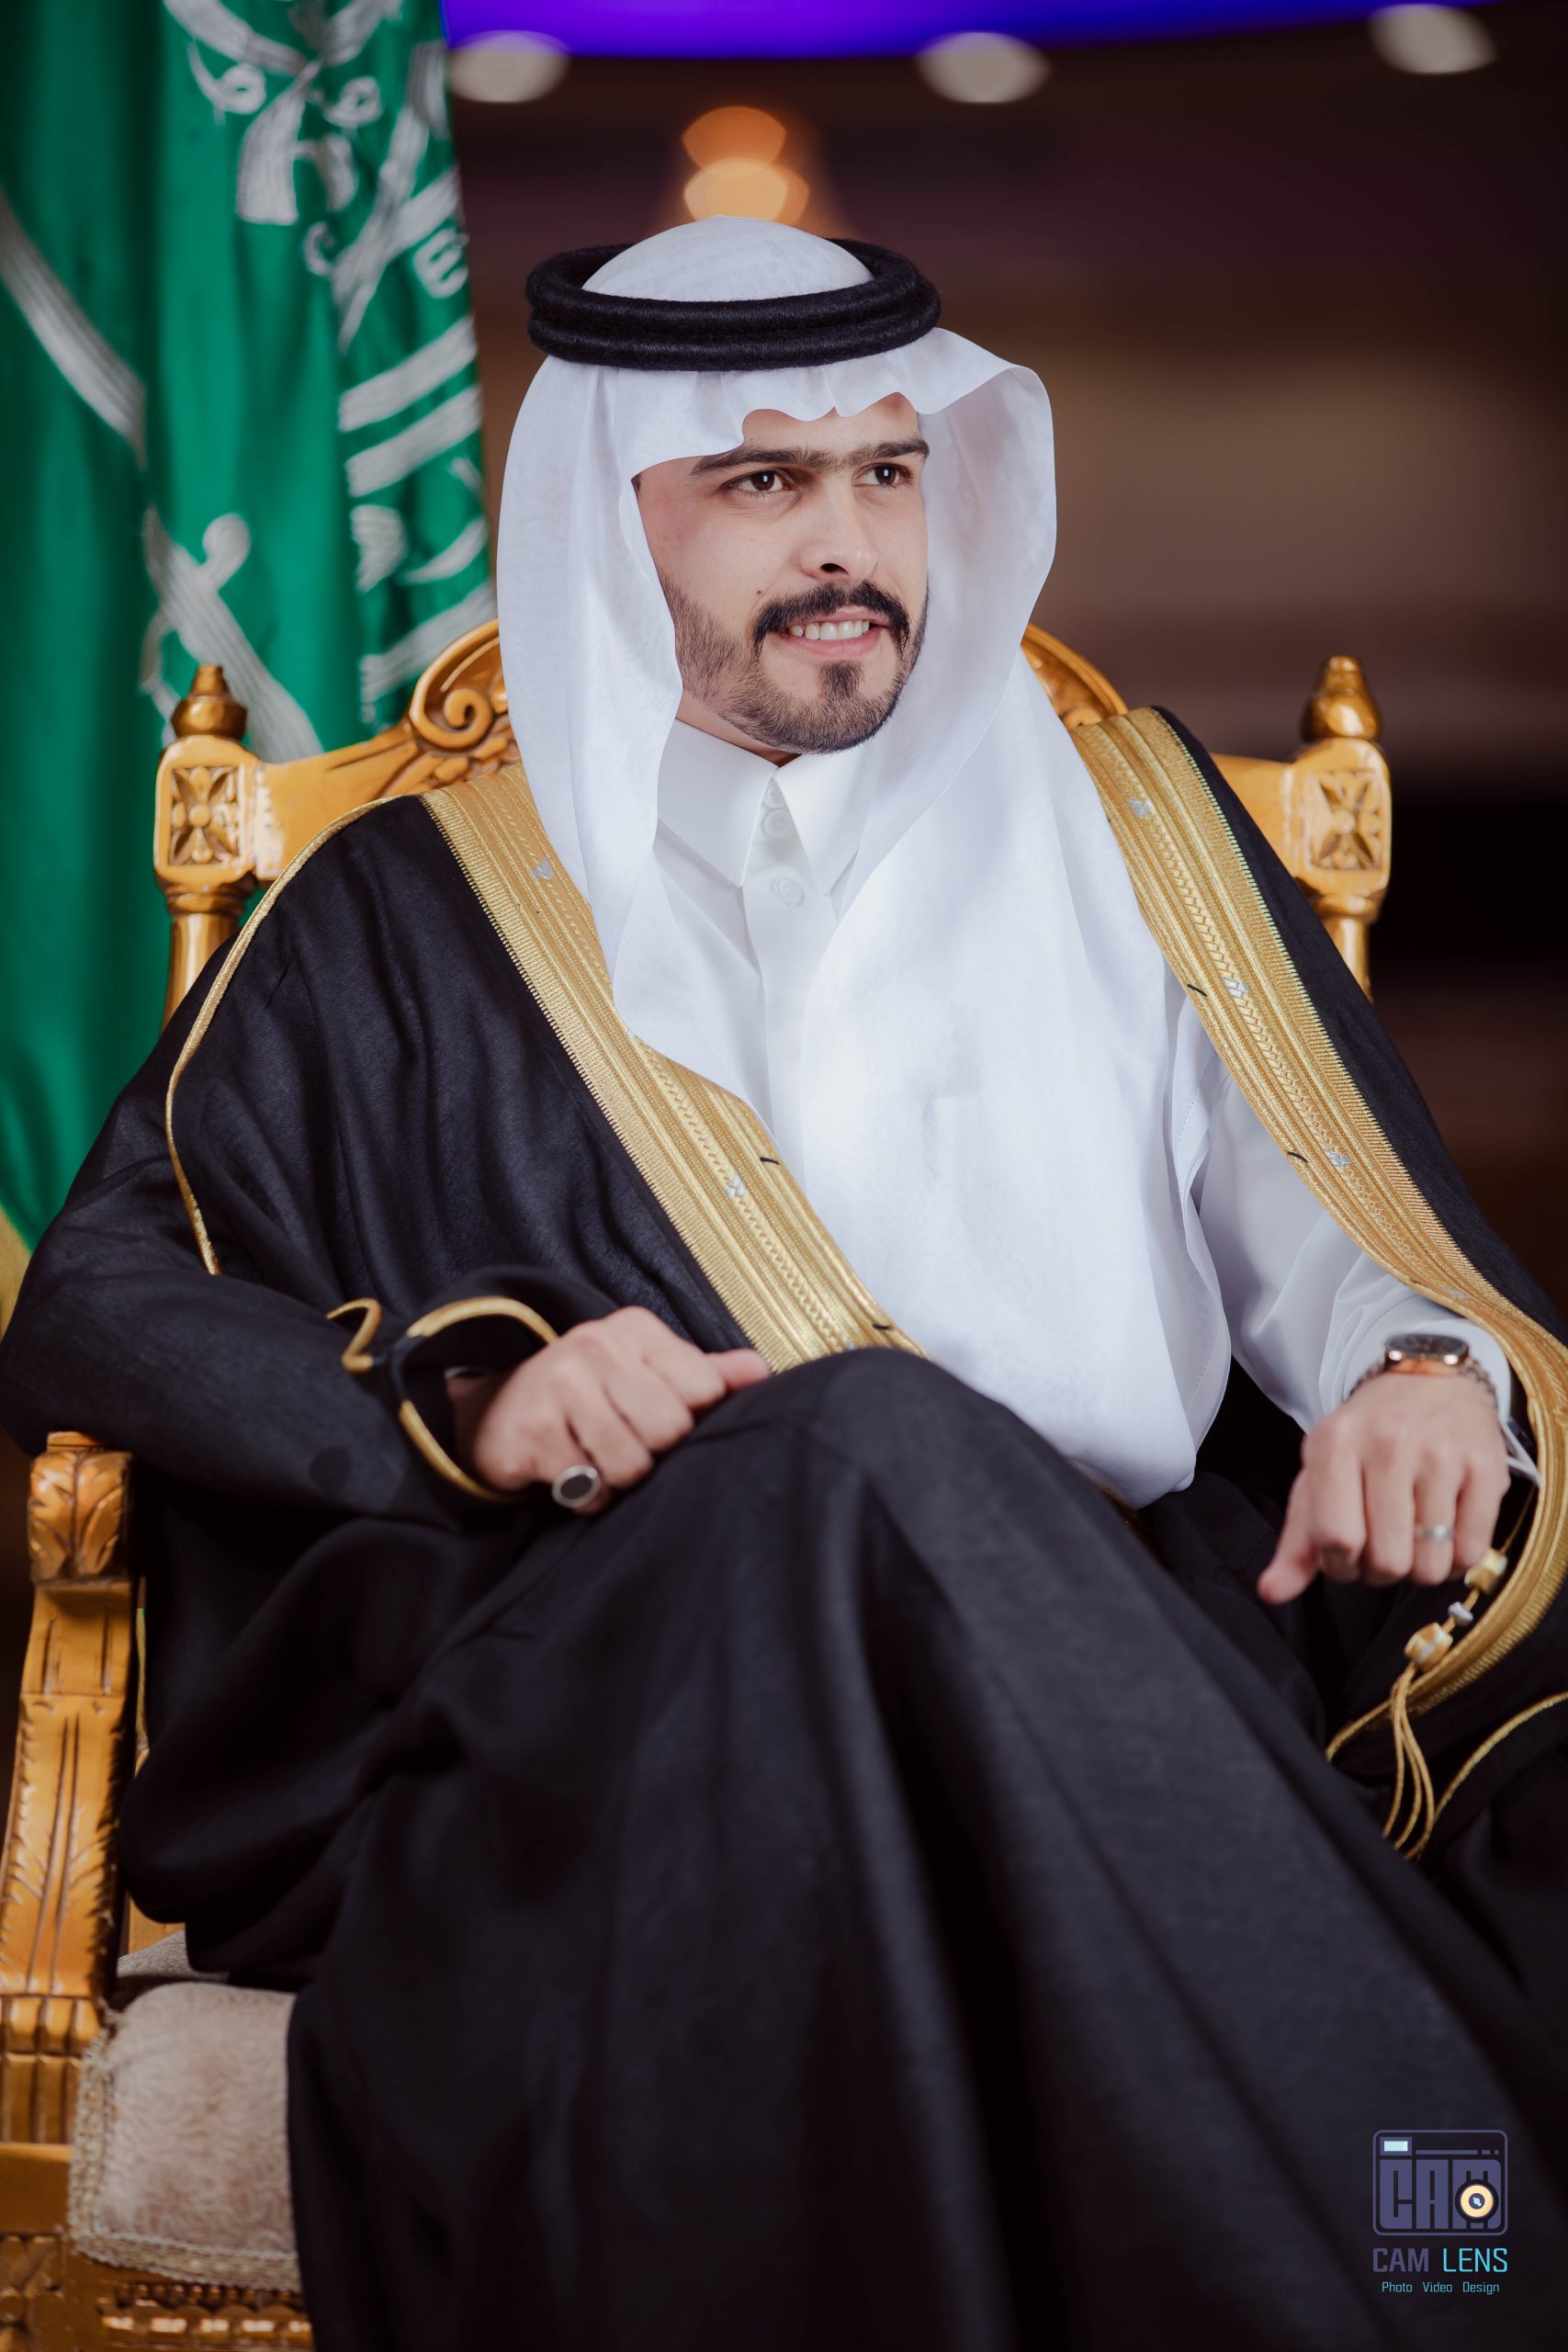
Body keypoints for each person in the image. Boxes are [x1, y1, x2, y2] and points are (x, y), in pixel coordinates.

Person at [2, 217, 1566, 2349]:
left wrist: (1410, 1362)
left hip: (1116, 1647)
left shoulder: (1130, 833)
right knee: (869, 1436)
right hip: (624, 1691)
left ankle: (1439, 2269)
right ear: (612, 518)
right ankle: (1442, 2296)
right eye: (762, 480)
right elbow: (104, 1294)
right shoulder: (409, 903)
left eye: (886, 472)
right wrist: (472, 1397)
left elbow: (1325, 1223)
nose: (847, 543)